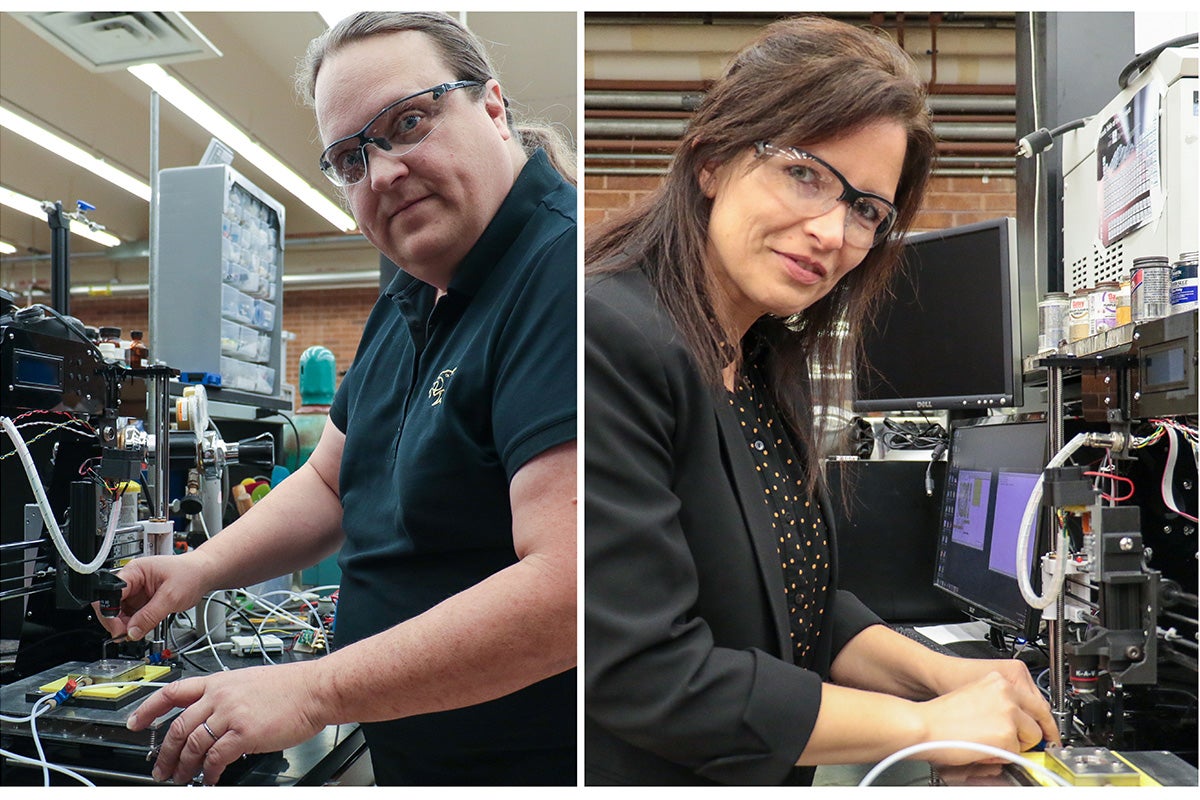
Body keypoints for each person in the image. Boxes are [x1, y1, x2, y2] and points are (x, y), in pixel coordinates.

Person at [100, 12, 577, 786]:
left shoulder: (560, 277)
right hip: (418, 750)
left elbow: (569, 590)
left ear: (493, 107)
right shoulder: (411, 290)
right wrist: (198, 568)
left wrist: (314, 689)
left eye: (409, 122)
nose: (382, 172)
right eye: (351, 157)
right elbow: (331, 481)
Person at [584, 15, 1058, 786]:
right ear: (711, 159)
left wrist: (944, 676)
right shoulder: (608, 339)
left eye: (867, 208)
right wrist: (921, 726)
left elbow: (795, 600)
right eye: (804, 173)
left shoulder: (761, 358)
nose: (830, 231)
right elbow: (645, 675)